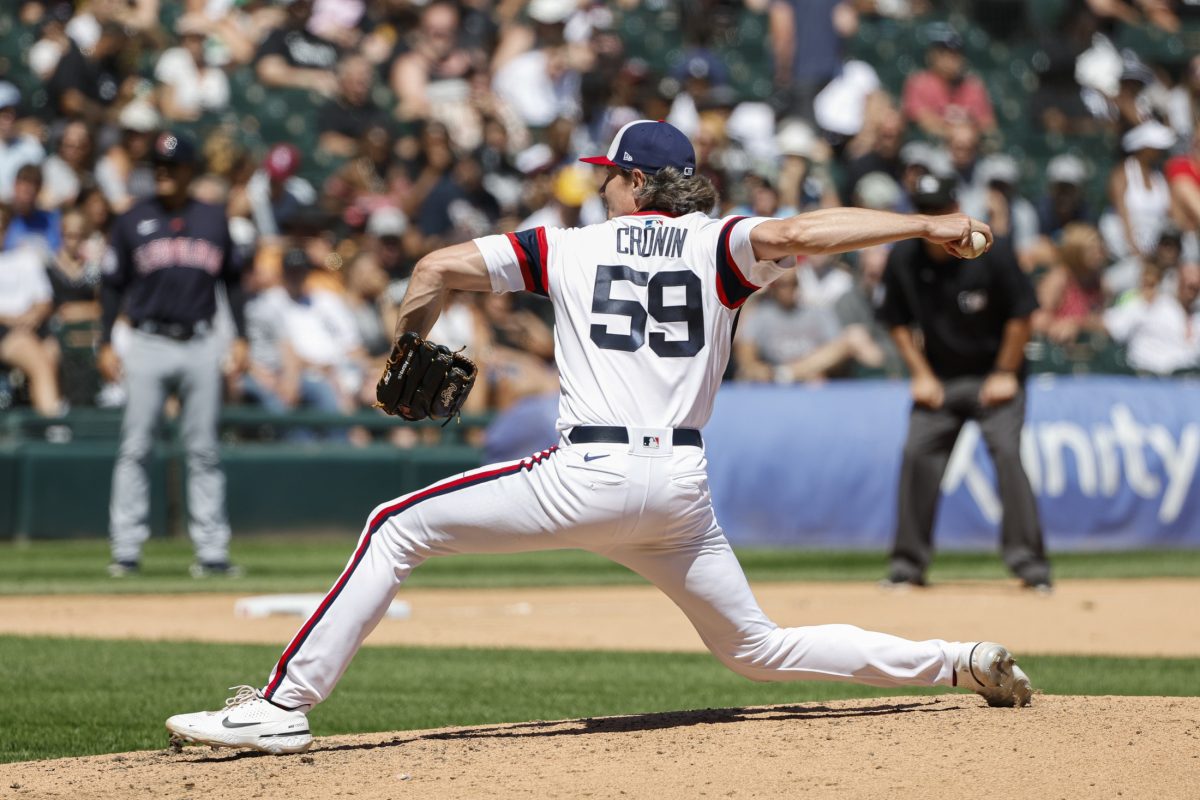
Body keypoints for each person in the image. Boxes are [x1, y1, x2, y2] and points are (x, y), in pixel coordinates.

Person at [165, 120, 1033, 755]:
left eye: (610, 176)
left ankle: (282, 707)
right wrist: (923, 225)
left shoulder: (567, 248)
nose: (601, 186)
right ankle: (958, 660)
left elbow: (432, 268)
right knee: (759, 649)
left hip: (587, 471)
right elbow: (805, 231)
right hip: (681, 493)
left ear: (638, 184)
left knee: (395, 527)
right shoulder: (720, 247)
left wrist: (407, 345)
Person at [876, 174, 1052, 592]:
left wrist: (1005, 372)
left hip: (996, 378)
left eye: (940, 208)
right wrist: (920, 374)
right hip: (940, 379)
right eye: (926, 208)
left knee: (1008, 455)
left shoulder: (993, 254)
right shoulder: (904, 257)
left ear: (956, 210)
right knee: (916, 453)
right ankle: (907, 565)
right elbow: (895, 321)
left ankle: (1030, 566)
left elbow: (1022, 314)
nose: (934, 217)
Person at [99, 132, 249, 579]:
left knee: (203, 449)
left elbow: (234, 283)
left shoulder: (212, 219)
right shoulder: (131, 219)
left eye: (172, 166)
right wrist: (106, 341)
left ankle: (212, 551)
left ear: (189, 170)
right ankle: (126, 549)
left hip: (202, 341)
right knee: (136, 446)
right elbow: (110, 285)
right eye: (158, 166)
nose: (163, 173)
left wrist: (239, 337)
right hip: (147, 341)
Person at [1104, 262, 1200, 375]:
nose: (1191, 291)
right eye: (1188, 285)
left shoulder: (1197, 314)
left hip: (1190, 380)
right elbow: (1111, 325)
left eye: (1196, 287)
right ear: (1177, 281)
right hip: (1148, 378)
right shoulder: (1152, 302)